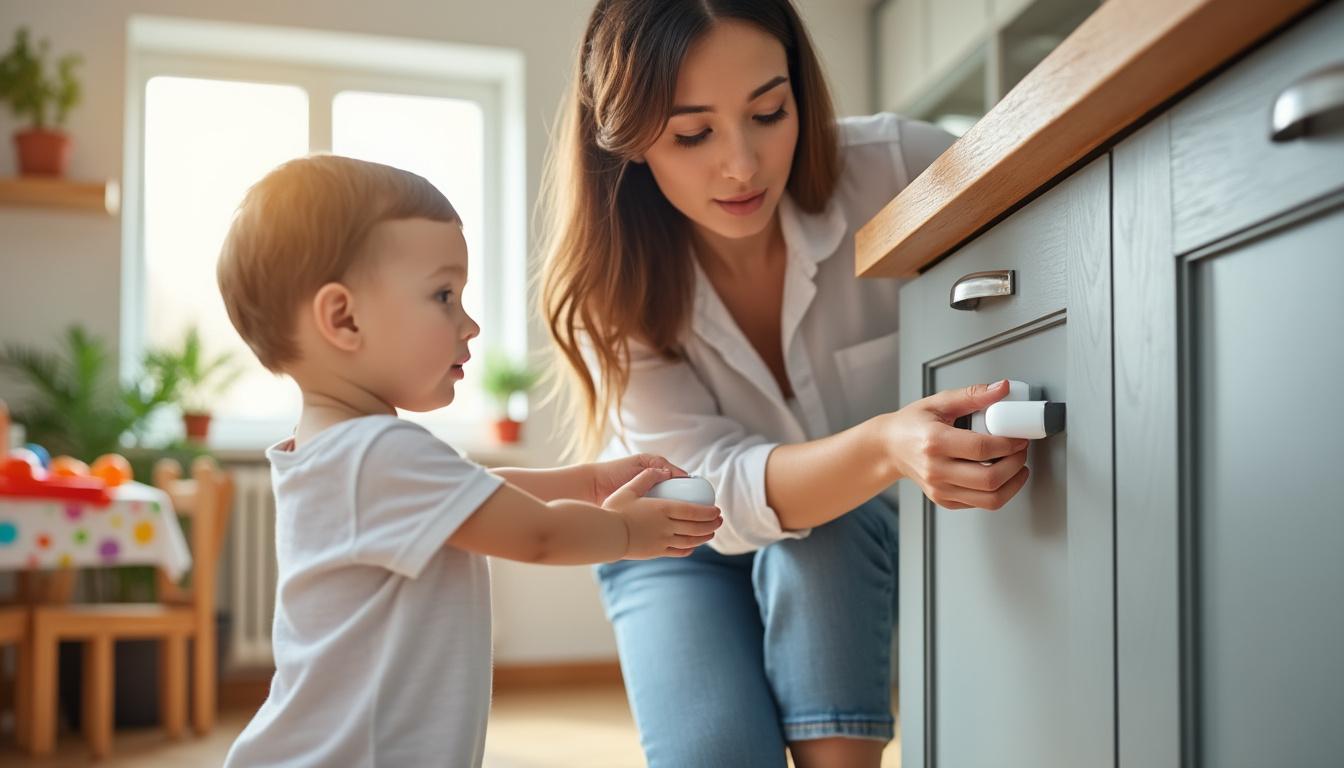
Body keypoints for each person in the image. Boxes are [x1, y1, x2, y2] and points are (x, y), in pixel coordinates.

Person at [539, 1, 1032, 765]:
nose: (742, 164)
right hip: (677, 541)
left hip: (860, 535)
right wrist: (878, 445)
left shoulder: (899, 169)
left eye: (769, 112)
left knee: (827, 528)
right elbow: (715, 493)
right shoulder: (614, 288)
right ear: (630, 138)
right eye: (693, 132)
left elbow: (1047, 251)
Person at [215, 155, 722, 767]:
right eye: (444, 295)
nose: (471, 323)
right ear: (343, 318)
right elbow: (535, 535)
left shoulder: (337, 449)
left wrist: (587, 480)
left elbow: (470, 495)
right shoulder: (376, 450)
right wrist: (627, 531)